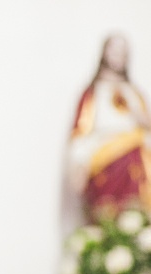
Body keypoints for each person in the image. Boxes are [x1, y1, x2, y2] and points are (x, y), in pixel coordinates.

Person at [66, 33, 151, 227]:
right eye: (114, 50)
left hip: (135, 165)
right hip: (105, 165)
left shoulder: (134, 92)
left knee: (134, 215)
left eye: (123, 52)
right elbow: (81, 133)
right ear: (104, 52)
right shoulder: (93, 92)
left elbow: (147, 129)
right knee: (105, 215)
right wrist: (78, 164)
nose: (118, 56)